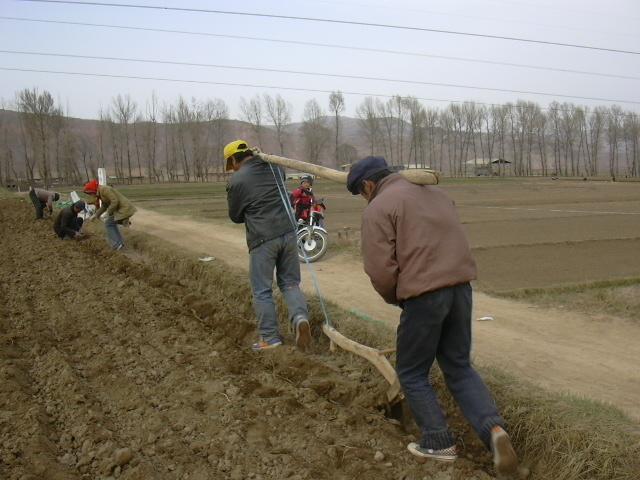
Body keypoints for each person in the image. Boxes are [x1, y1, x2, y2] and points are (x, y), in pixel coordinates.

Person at [346, 156, 520, 478]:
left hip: (424, 295)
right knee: (458, 365)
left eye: (361, 192)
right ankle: (494, 430)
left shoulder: (378, 207)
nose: (364, 198)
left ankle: (438, 441)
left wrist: (398, 299)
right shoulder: (437, 195)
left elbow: (380, 270)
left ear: (368, 185)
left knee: (412, 371)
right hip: (461, 288)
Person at [224, 139, 311, 352]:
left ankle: (270, 337)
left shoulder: (237, 180)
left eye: (231, 164)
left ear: (235, 158)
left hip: (262, 239)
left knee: (262, 290)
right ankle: (300, 318)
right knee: (290, 282)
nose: (232, 168)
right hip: (288, 233)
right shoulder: (275, 167)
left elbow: (235, 216)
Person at [83, 179, 136, 251]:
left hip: (124, 209)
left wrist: (107, 213)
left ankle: (117, 243)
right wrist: (96, 215)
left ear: (93, 190)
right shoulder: (101, 192)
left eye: (90, 193)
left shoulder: (105, 190)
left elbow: (115, 201)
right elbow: (105, 205)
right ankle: (119, 243)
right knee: (110, 223)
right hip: (120, 209)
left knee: (109, 223)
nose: (91, 195)